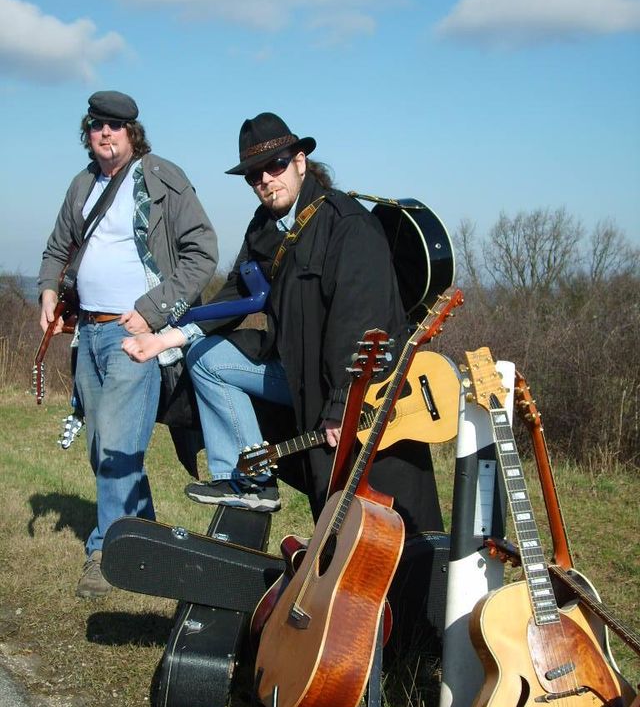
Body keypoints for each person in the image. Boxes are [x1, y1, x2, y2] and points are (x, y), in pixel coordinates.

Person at [124, 112, 443, 537]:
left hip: (352, 388)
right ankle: (248, 481)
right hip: (296, 374)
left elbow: (364, 323)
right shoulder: (265, 227)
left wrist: (342, 405)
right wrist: (166, 339)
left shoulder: (347, 225)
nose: (265, 180)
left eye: (275, 166)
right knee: (205, 357)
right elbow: (235, 293)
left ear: (300, 162)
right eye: (254, 175)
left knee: (366, 519)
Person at [38, 90, 218, 598]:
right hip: (88, 333)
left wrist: (153, 311)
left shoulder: (161, 178)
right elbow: (57, 247)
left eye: (114, 126)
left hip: (135, 335)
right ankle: (151, 543)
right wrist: (48, 289)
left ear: (132, 133)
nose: (105, 133)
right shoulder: (83, 184)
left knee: (119, 447)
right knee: (104, 448)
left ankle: (105, 553)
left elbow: (202, 253)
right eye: (97, 125)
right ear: (88, 132)